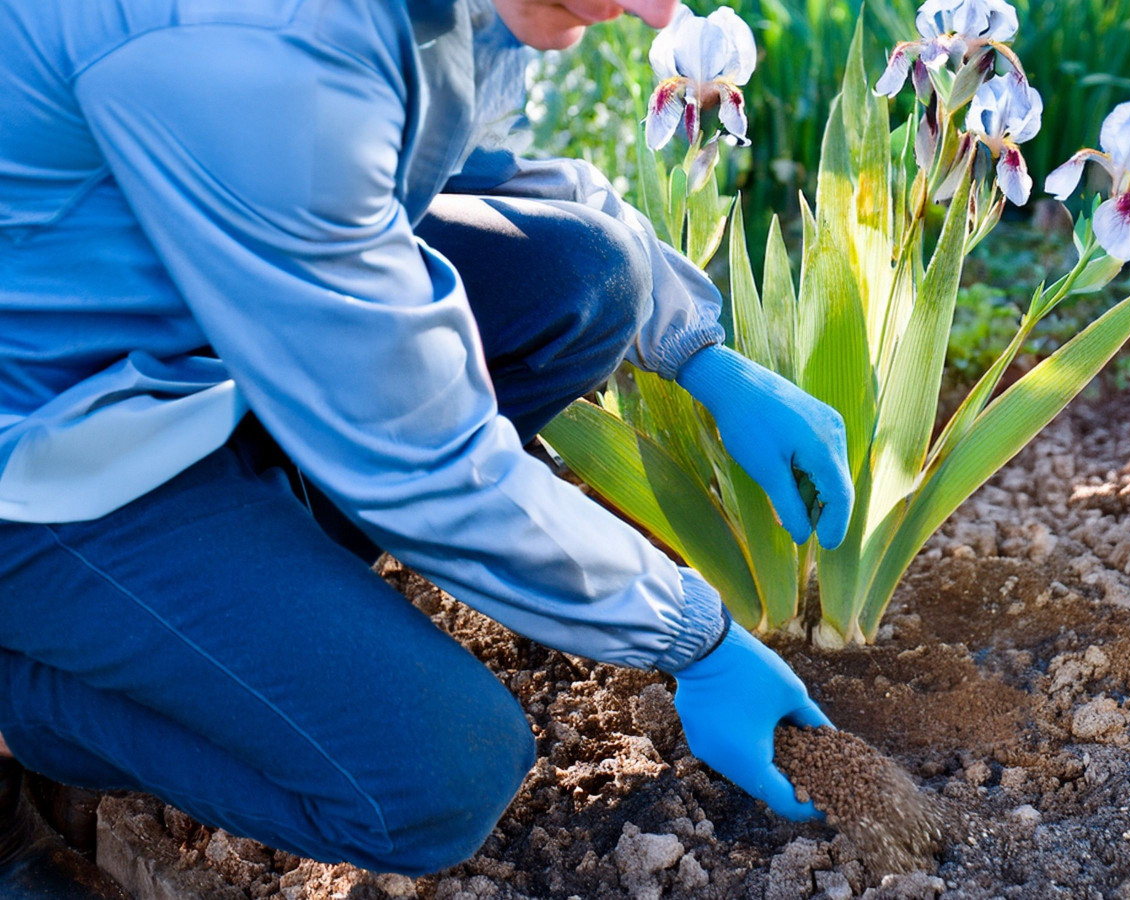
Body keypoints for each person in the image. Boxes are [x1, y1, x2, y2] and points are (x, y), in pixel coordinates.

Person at [0, 0, 855, 894]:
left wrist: (698, 352)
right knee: (440, 774)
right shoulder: (257, 47)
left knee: (582, 277)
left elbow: (494, 176)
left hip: (179, 344)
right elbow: (418, 455)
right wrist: (694, 636)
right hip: (44, 451)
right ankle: (30, 701)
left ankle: (228, 610)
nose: (652, 14)